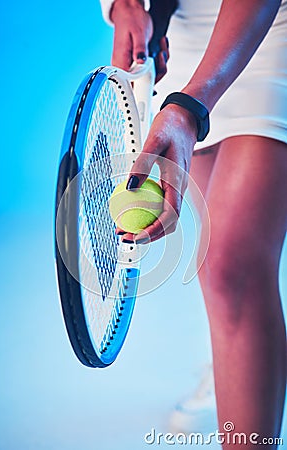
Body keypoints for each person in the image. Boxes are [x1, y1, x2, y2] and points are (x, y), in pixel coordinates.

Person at [100, 0, 287, 447]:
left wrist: (188, 106)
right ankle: (231, 368)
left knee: (229, 266)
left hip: (269, 25)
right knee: (221, 271)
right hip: (184, 40)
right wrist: (124, 5)